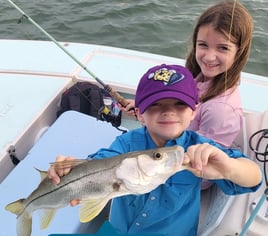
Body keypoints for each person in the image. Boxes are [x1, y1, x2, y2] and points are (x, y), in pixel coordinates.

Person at [48, 64, 262, 236]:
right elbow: (99, 163)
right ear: (140, 114)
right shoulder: (126, 144)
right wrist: (68, 170)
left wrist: (229, 168)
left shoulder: (199, 147)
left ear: (194, 111)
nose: (168, 111)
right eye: (156, 104)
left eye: (179, 104)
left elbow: (254, 178)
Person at [121, 1, 253, 149]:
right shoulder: (199, 77)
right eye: (203, 44)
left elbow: (202, 157)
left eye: (223, 48)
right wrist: (145, 106)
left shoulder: (221, 111)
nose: (209, 57)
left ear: (239, 52)